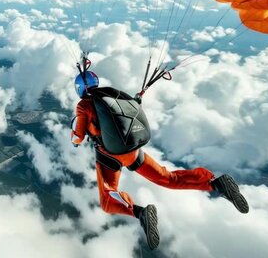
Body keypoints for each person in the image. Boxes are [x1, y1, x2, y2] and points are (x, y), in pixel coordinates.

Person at [71, 70, 249, 250]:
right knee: (168, 178)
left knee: (107, 200)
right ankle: (216, 183)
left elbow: (77, 137)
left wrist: (75, 136)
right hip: (133, 151)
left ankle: (140, 213)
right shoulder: (111, 93)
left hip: (110, 158)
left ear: (79, 88)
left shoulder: (83, 105)